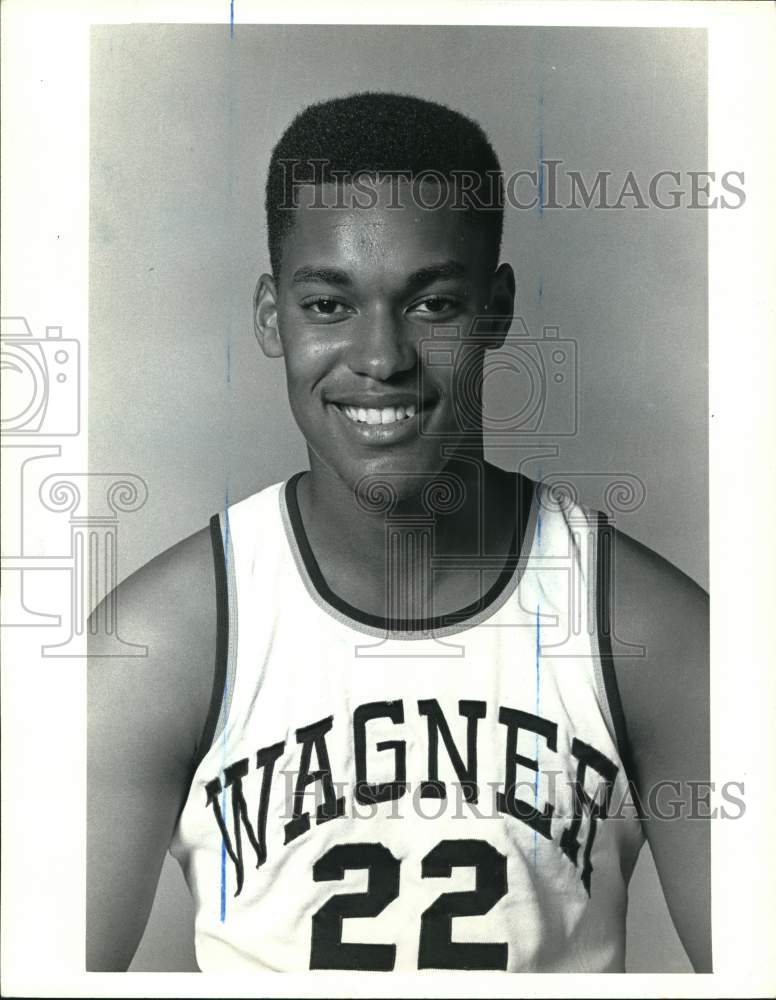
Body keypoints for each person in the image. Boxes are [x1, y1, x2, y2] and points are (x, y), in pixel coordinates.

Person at [87, 92, 710, 973]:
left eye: (434, 305)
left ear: (496, 308)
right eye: (329, 306)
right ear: (274, 317)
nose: (382, 359)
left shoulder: (655, 635)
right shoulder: (155, 644)